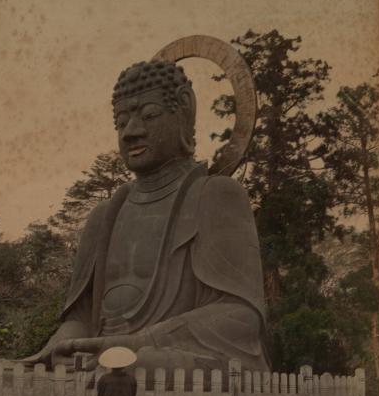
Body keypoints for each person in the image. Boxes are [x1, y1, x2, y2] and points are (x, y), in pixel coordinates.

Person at [20, 59, 269, 375]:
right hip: (101, 358)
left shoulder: (216, 195)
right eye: (121, 123)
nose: (131, 133)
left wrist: (139, 343)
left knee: (142, 366)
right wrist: (66, 344)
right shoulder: (105, 215)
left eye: (149, 116)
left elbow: (242, 317)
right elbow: (80, 319)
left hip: (167, 355)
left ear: (183, 110)